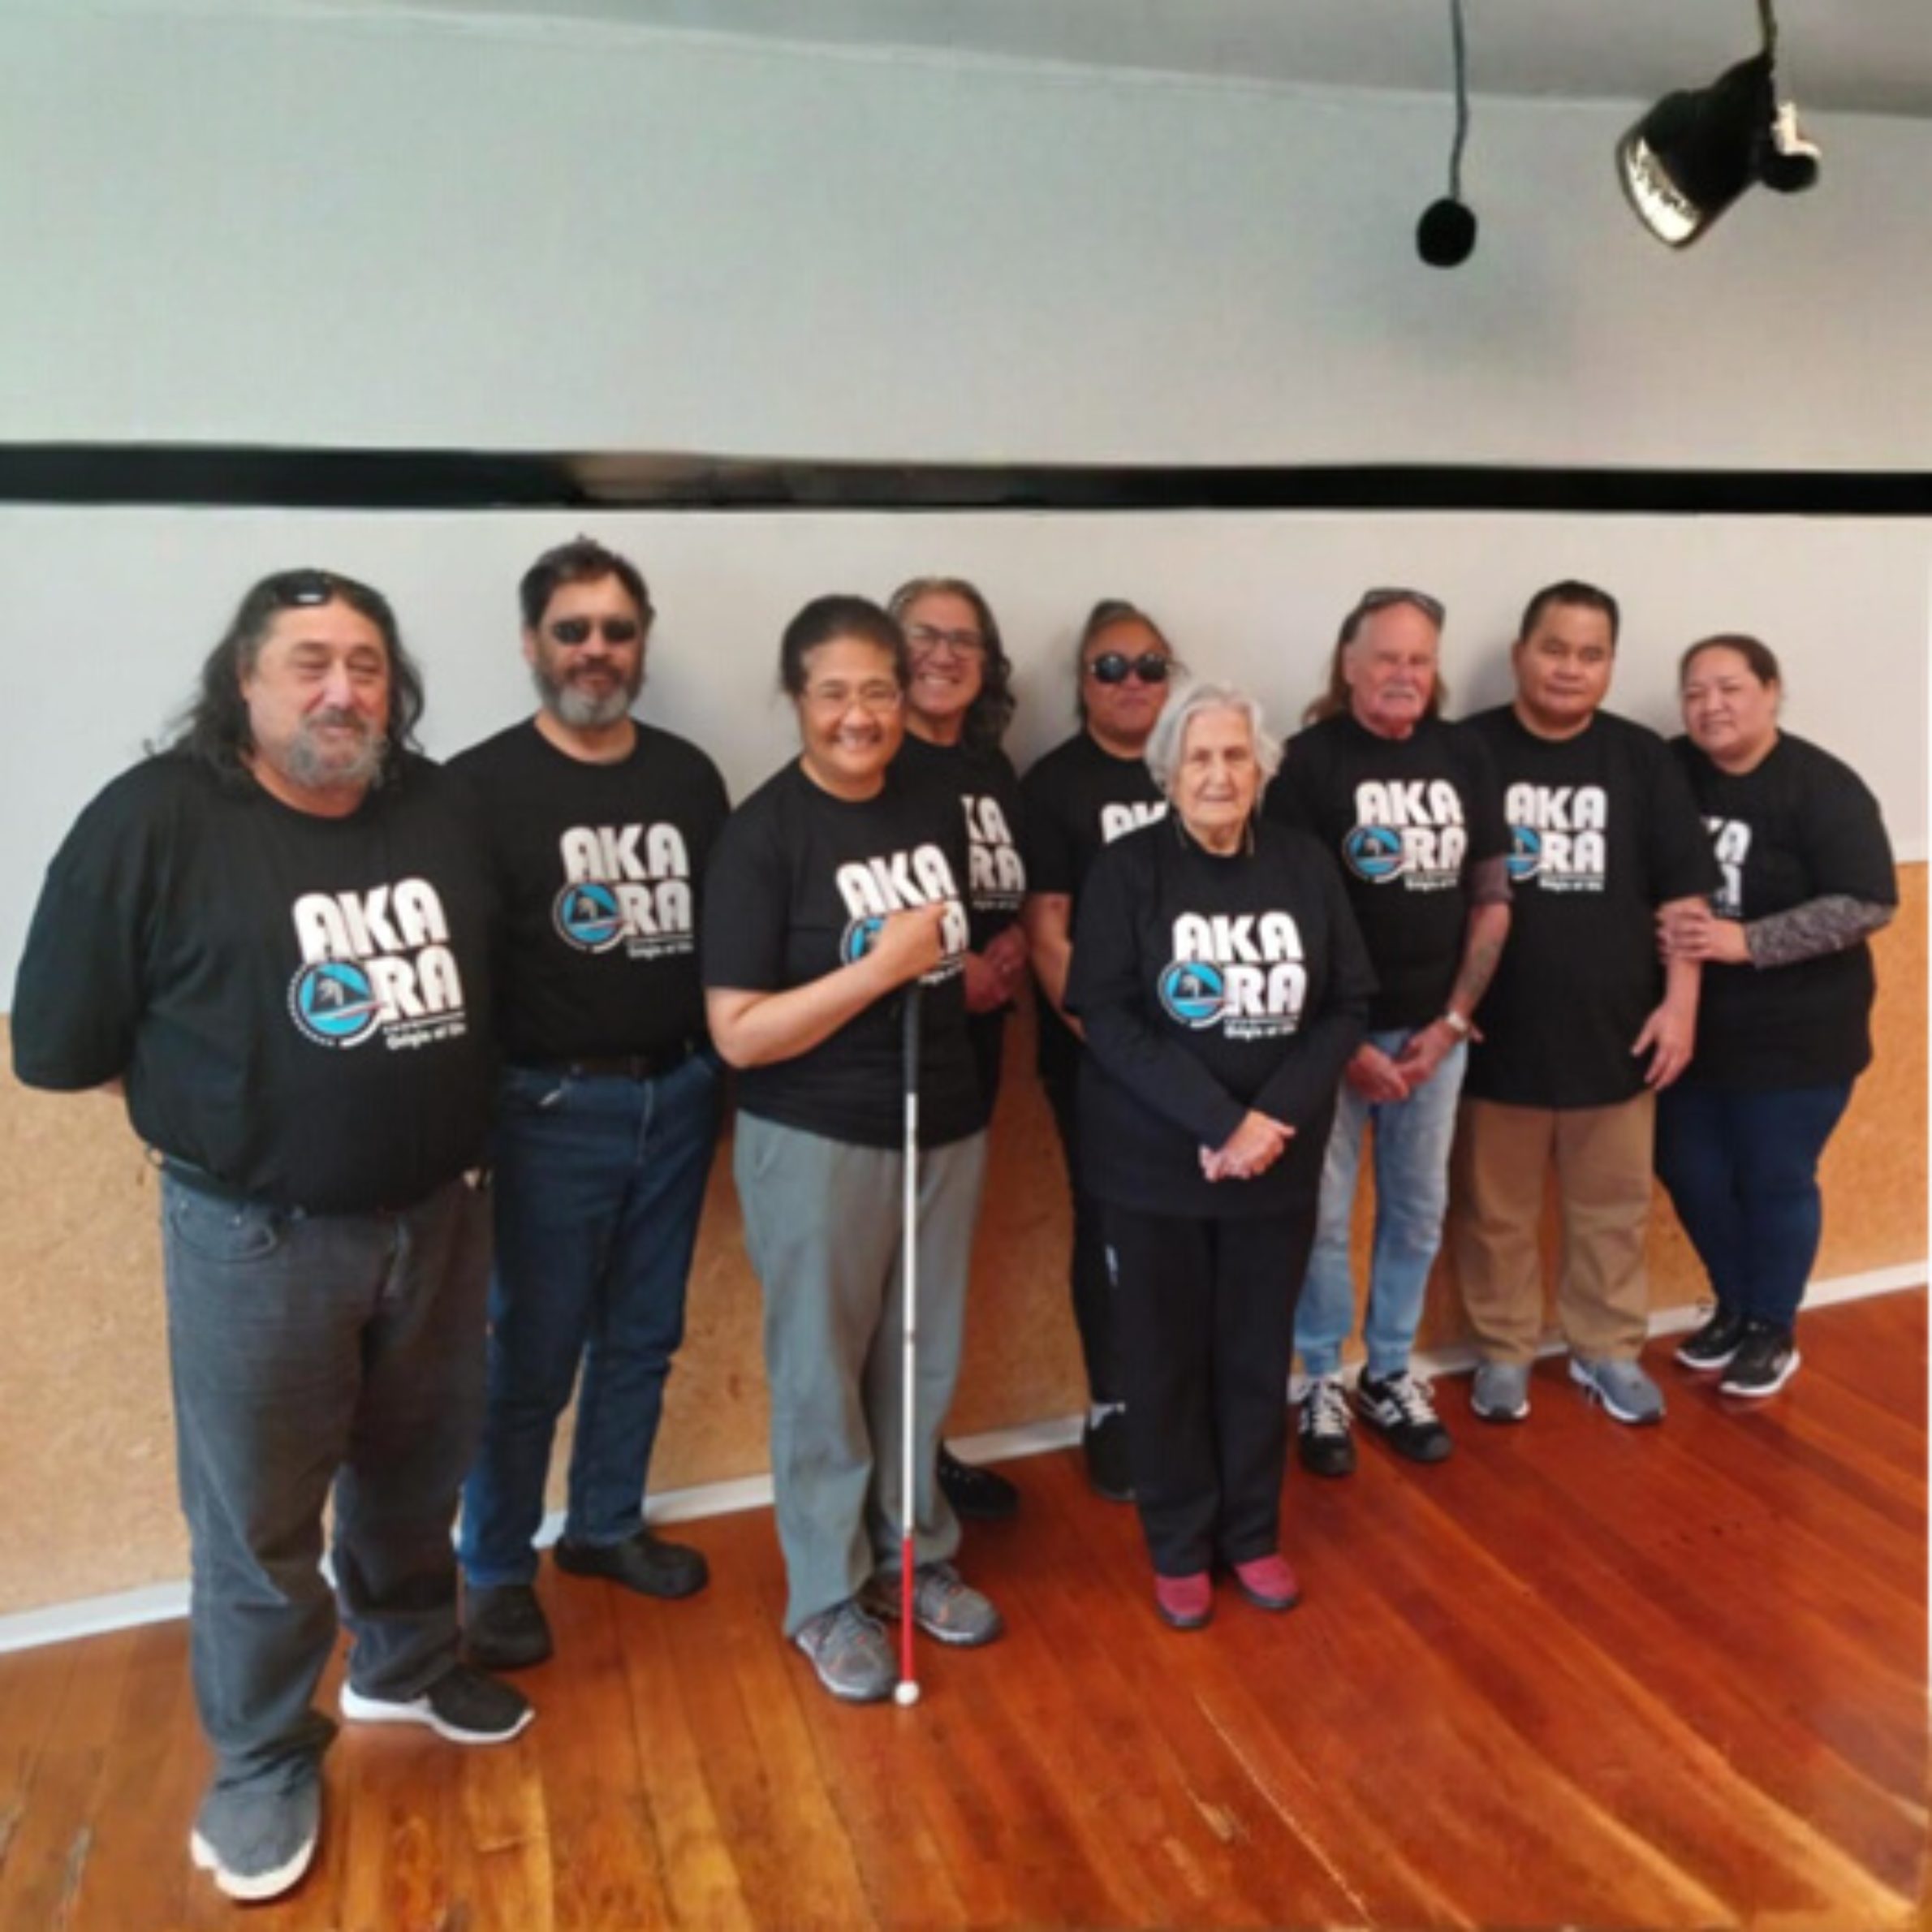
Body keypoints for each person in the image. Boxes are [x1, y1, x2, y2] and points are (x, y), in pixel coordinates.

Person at [10, 568, 530, 1906]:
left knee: (418, 1475)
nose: (340, 688)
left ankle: (404, 1665)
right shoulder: (155, 822)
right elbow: (61, 1044)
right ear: (241, 682)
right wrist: (218, 1107)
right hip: (256, 1241)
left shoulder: (441, 806)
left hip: (441, 1216)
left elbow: (500, 985)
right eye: (307, 662)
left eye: (363, 662)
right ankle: (257, 1757)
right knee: (256, 1520)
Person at [701, 593, 1001, 1705]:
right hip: (816, 1137)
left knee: (919, 1354)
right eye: (834, 692)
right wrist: (879, 968)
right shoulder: (762, 835)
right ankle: (827, 1594)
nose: (859, 714)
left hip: (943, 1120)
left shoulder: (931, 800)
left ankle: (914, 1554)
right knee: (823, 1372)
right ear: (798, 700)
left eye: (878, 688)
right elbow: (738, 1030)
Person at [455, 539, 731, 1671]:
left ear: (642, 643)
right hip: (547, 1110)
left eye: (617, 631)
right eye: (573, 630)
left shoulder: (687, 776)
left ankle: (605, 1527)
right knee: (533, 1353)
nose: (596, 651)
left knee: (643, 1337)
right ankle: (496, 1568)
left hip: (678, 1093)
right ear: (532, 645)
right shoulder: (474, 789)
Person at [1067, 680, 1373, 1629]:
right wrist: (1217, 1121)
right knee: (1162, 1363)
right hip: (1154, 1170)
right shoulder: (1126, 871)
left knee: (1252, 1359)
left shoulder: (1304, 866)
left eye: (1234, 755)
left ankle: (1251, 1534)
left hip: (1273, 1166)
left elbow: (1346, 1004)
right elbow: (1103, 1012)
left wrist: (1267, 1119)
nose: (1217, 773)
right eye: (1197, 757)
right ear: (1166, 771)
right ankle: (1176, 1545)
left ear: (1261, 767)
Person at [1451, 580, 1718, 1427]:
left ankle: (1606, 1351)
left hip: (1617, 1036)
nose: (1570, 668)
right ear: (1520, 654)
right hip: (1493, 1037)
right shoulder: (1465, 751)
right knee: (1494, 1214)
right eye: (1555, 649)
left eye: (1590, 653)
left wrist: (1680, 1008)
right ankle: (1501, 1353)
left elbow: (1683, 900)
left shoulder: (1642, 759)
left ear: (1609, 665)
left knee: (1613, 1214)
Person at [1267, 589, 1510, 1477]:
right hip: (1332, 1040)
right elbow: (1290, 918)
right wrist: (1344, 1042)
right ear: (1349, 663)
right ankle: (1323, 1377)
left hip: (1433, 1036)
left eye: (1419, 658)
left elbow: (1490, 896)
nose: (1404, 674)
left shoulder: (1464, 755)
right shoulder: (1303, 764)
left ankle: (1391, 1371)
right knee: (1323, 1218)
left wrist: (1451, 1022)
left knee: (1416, 1211)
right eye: (1386, 657)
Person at [1654, 635, 1895, 1397]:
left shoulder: (1822, 786)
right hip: (1695, 1028)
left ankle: (1773, 1326)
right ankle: (1734, 1304)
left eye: (1729, 687)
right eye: (1695, 691)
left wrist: (1745, 941)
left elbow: (1868, 901)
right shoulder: (1668, 770)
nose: (1710, 706)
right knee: (1689, 1170)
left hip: (1800, 1037)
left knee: (1774, 1177)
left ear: (1771, 690)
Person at [1020, 599, 1176, 1501]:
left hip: (1207, 1063)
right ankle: (1113, 1405)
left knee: (1189, 1233)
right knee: (1113, 1230)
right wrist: (1121, 1049)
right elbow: (1048, 932)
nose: (1130, 682)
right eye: (1109, 666)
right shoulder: (1053, 785)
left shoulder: (1195, 771)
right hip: (1099, 1062)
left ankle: (1178, 1398)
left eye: (1149, 665)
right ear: (1081, 682)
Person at [888, 575, 1029, 1523]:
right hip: (888, 1060)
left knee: (931, 1287)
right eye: (922, 636)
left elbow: (1006, 891)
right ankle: (888, 1488)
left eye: (963, 640)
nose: (943, 654)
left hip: (973, 1060)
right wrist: (959, 965)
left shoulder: (993, 771)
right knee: (885, 1289)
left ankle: (922, 1461)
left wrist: (1008, 945)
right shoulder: (876, 761)